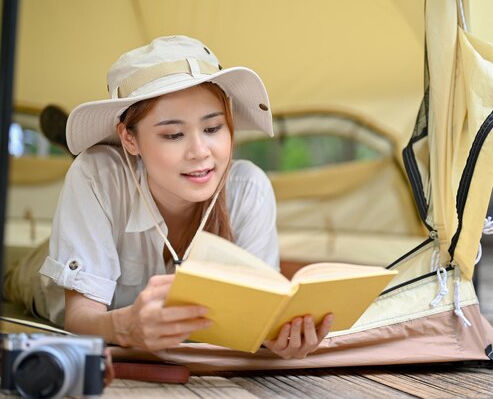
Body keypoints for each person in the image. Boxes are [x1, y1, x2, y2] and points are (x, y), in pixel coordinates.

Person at [7, 35, 333, 359]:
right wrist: (126, 327)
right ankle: (98, 167)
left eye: (213, 128)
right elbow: (80, 317)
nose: (200, 152)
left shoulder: (248, 189)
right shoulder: (94, 174)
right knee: (13, 275)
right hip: (41, 276)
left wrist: (275, 338)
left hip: (120, 189)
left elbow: (257, 320)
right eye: (173, 134)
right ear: (129, 138)